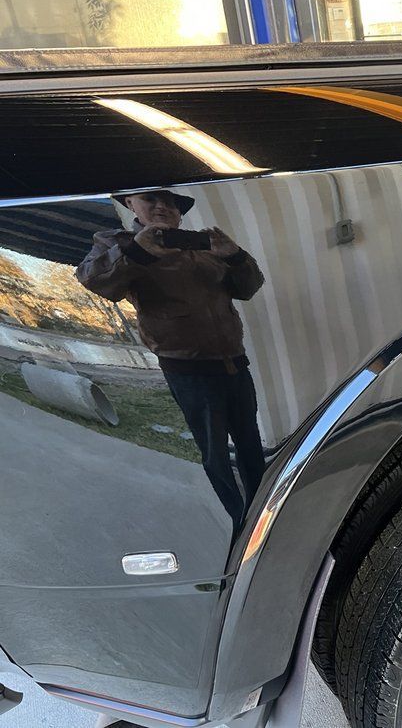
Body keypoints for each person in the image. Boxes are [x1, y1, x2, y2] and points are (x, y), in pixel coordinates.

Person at [76, 190, 266, 528]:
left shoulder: (204, 244)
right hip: (189, 372)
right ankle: (241, 522)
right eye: (151, 199)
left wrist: (235, 256)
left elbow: (248, 288)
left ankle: (263, 511)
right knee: (216, 453)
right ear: (130, 204)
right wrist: (137, 251)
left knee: (251, 443)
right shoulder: (117, 242)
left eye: (173, 203)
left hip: (235, 363)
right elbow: (96, 281)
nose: (163, 206)